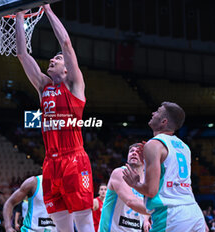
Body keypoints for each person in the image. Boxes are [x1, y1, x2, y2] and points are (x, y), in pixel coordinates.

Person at [16, 4, 94, 231]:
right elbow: (22, 54)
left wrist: (47, 9)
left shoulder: (75, 85)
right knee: (62, 227)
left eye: (57, 58)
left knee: (84, 223)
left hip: (74, 160)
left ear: (68, 69)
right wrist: (20, 15)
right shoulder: (44, 87)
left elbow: (66, 44)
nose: (53, 58)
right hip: (50, 163)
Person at [123, 102, 208, 232]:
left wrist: (134, 183)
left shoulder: (154, 145)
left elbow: (151, 191)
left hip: (171, 215)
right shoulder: (184, 147)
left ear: (164, 121)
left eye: (157, 111)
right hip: (194, 213)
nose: (153, 113)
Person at [99, 143, 151, 232]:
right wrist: (160, 210)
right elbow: (131, 201)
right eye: (131, 151)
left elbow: (148, 202)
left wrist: (146, 219)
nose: (134, 153)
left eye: (138, 152)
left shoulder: (148, 181)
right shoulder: (119, 173)